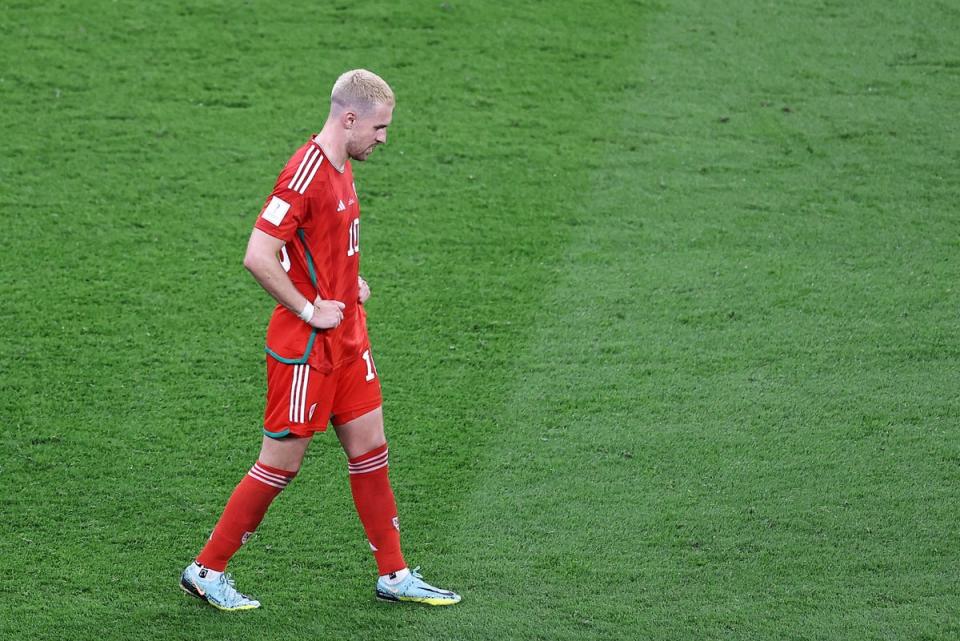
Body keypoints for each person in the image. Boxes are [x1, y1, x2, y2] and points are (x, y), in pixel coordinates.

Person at [179, 69, 461, 611]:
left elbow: (317, 247)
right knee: (279, 465)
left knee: (371, 451)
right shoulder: (303, 174)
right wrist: (311, 307)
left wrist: (345, 282)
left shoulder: (342, 165)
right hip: (307, 350)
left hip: (350, 339)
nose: (384, 138)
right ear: (348, 118)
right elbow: (258, 254)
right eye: (379, 128)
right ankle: (206, 569)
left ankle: (394, 574)